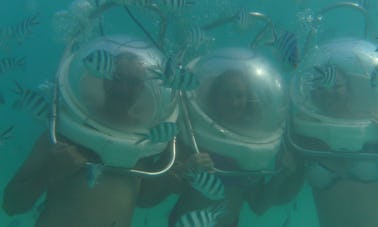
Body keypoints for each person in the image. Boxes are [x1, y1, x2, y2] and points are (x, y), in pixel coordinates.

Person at [2, 35, 179, 227]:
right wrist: (49, 173)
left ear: (142, 87)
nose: (123, 87)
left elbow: (144, 200)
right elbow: (11, 205)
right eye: (117, 76)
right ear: (103, 79)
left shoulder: (145, 141)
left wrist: (172, 180)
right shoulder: (65, 132)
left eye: (134, 82)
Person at [167, 48, 304, 227]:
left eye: (239, 95)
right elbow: (167, 188)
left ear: (248, 99)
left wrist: (283, 174)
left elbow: (258, 205)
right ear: (215, 96)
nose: (234, 102)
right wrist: (188, 167)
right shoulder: (195, 134)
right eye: (227, 95)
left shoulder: (252, 143)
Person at [288, 38, 378, 227]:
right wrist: (287, 169)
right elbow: (272, 201)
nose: (329, 92)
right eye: (321, 87)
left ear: (348, 88)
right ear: (312, 91)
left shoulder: (371, 123)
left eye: (336, 86)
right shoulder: (305, 133)